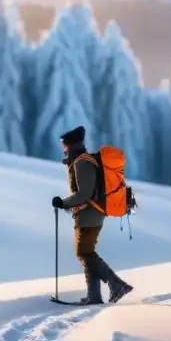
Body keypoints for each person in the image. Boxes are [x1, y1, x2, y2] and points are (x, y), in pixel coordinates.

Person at [51, 125, 134, 305]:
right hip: (91, 213)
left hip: (90, 213)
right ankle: (94, 296)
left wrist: (63, 203)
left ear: (71, 145)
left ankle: (116, 284)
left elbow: (85, 194)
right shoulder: (82, 160)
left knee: (84, 252)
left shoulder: (82, 162)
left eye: (65, 145)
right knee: (87, 252)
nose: (63, 149)